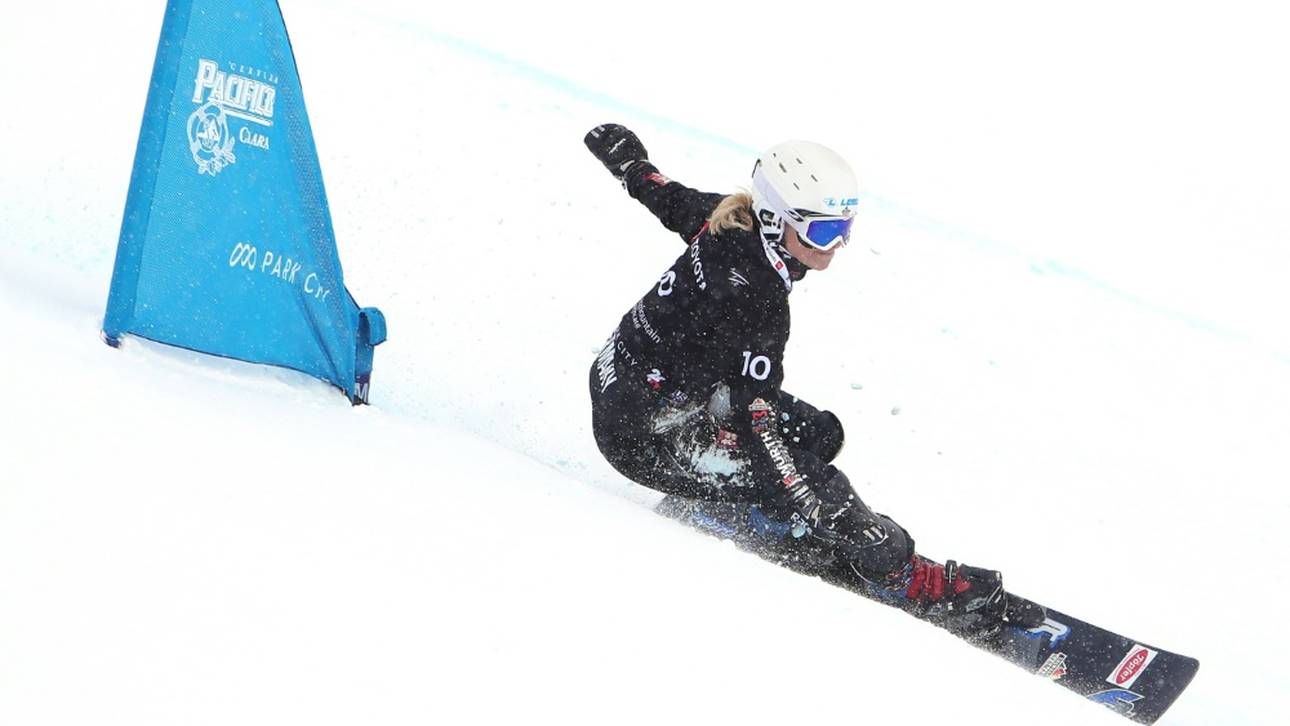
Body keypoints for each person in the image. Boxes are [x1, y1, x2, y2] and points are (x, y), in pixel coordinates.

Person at [584, 123, 1043, 634]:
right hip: (646, 438)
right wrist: (808, 499)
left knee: (821, 434)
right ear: (778, 220)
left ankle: (766, 513)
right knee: (823, 485)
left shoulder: (729, 220)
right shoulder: (756, 298)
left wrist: (628, 162)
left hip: (656, 390)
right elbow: (755, 419)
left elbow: (664, 196)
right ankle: (909, 580)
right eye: (823, 232)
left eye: (845, 228)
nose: (837, 245)